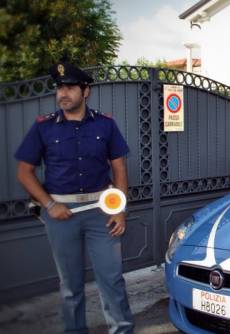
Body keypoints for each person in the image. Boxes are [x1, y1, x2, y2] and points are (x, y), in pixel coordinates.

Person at [14, 60, 134, 334]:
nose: (62, 94)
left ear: (85, 90)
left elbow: (119, 167)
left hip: (102, 212)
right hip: (61, 214)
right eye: (59, 88)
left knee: (112, 280)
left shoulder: (105, 125)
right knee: (70, 286)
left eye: (69, 87)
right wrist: (50, 204)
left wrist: (120, 209)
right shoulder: (43, 128)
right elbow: (24, 172)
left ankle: (122, 330)